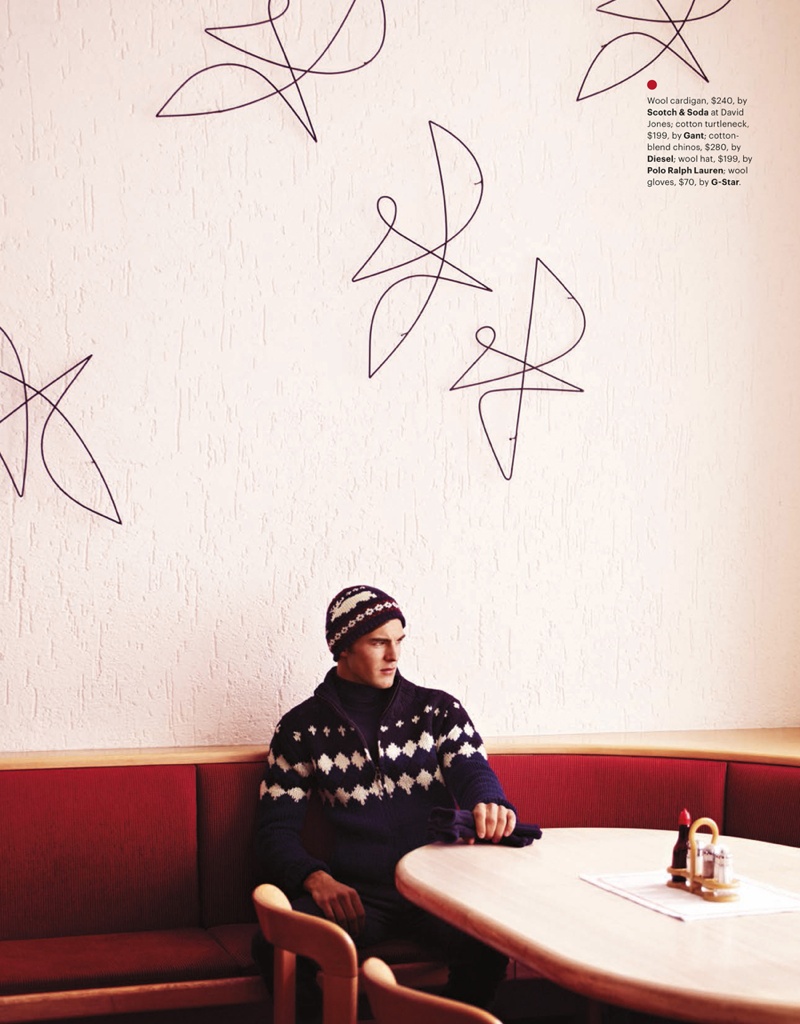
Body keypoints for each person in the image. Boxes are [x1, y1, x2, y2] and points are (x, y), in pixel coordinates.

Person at [253, 585, 516, 1021]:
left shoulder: (438, 710)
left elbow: (472, 771)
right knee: (272, 942)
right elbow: (274, 831)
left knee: (491, 941)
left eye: (399, 641)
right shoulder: (301, 729)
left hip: (437, 890)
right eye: (378, 643)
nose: (394, 655)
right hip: (361, 897)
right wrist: (316, 878)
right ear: (342, 648)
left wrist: (490, 801)